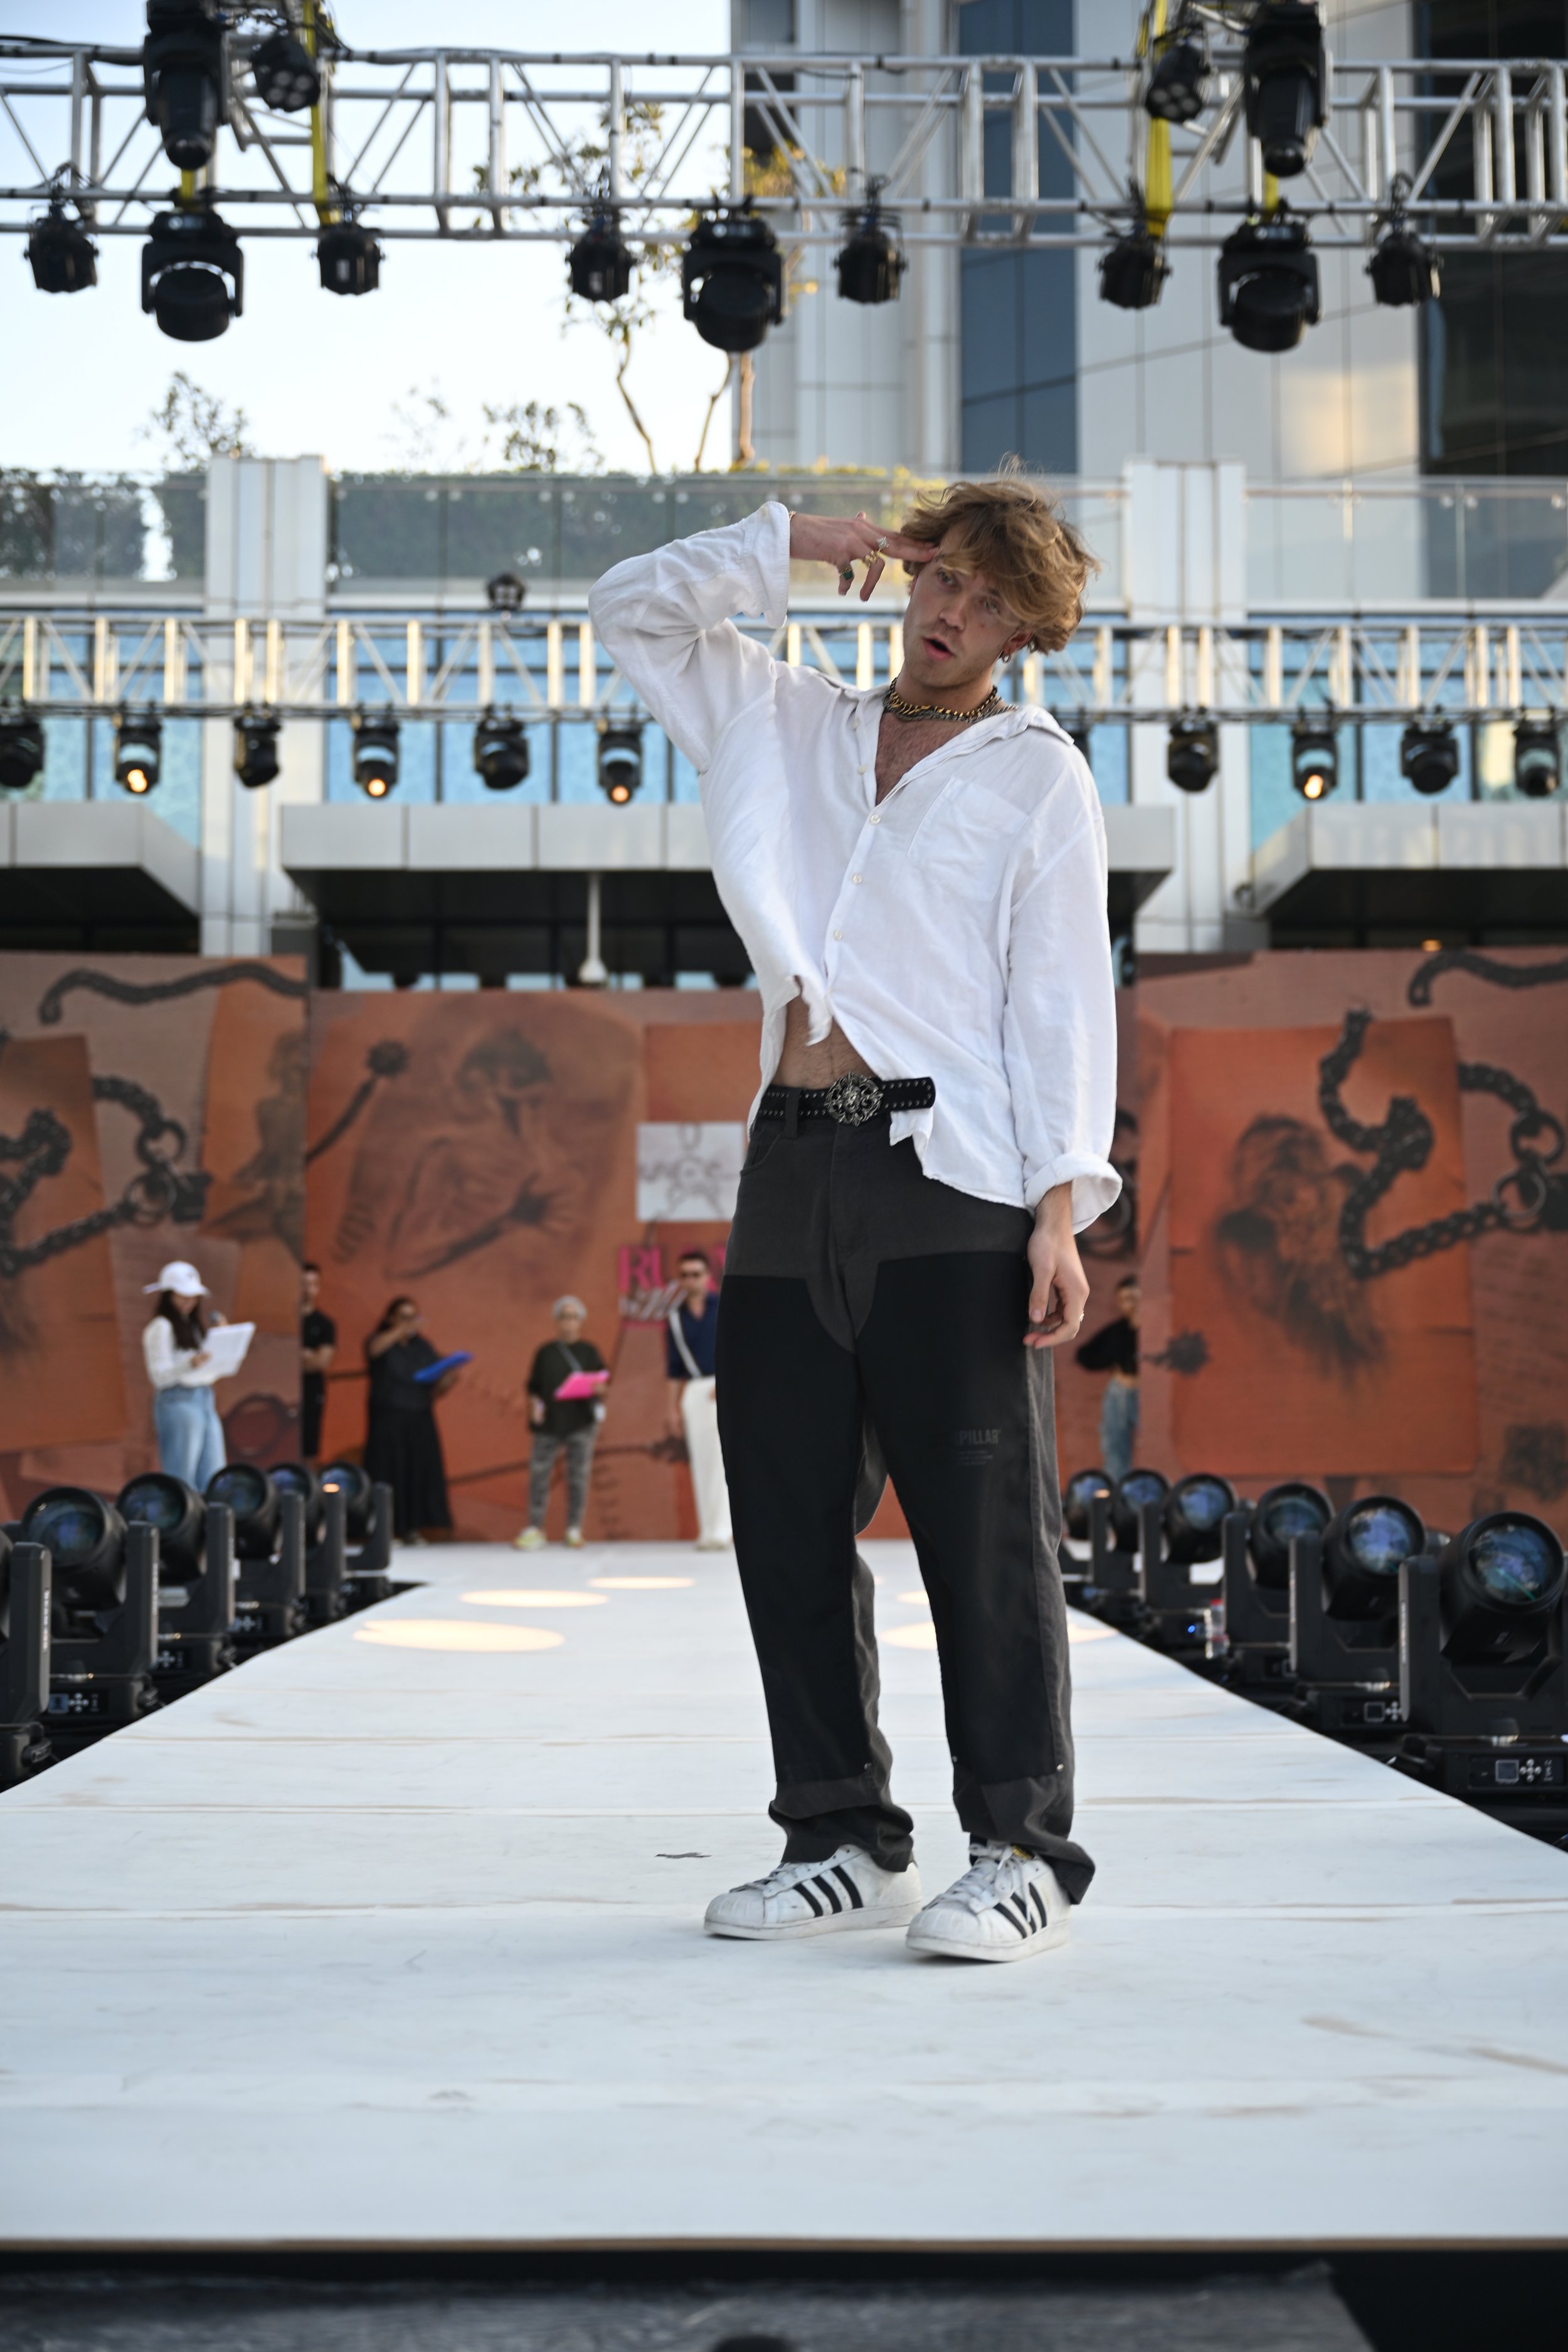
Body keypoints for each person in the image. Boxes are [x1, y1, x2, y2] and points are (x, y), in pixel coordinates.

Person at [591, 475, 1118, 1964]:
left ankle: (1021, 1845)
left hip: (954, 1172)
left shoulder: (1037, 777)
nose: (958, 615)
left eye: (997, 603)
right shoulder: (786, 718)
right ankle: (837, 1831)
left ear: (1030, 630)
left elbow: (1061, 995)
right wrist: (781, 544)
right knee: (784, 1515)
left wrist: (1061, 1206)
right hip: (790, 1168)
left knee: (982, 1534)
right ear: (908, 574)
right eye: (945, 579)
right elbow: (626, 607)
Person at [516, 1295, 609, 1551]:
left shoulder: (589, 1351)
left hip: (580, 1422)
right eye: (564, 1317)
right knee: (539, 1475)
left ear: (581, 1322)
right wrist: (534, 1406)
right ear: (556, 1321)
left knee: (578, 1476)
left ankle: (574, 1528)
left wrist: (599, 1388)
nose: (569, 1322)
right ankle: (535, 1528)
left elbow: (601, 1383)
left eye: (574, 1317)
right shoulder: (545, 1352)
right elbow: (533, 1387)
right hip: (549, 1423)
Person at [363, 1296, 455, 1544]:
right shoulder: (380, 1340)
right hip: (389, 1417)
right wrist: (400, 1330)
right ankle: (384, 1529)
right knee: (388, 1472)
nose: (409, 1323)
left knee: (417, 1472)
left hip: (419, 1417)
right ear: (391, 1318)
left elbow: (435, 1386)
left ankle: (412, 1528)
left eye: (412, 1317)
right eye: (403, 1317)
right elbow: (374, 1351)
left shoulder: (423, 1346)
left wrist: (448, 1375)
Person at [141, 1258, 231, 1493]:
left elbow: (207, 1369)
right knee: (182, 1477)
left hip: (204, 1398)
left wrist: (221, 1341)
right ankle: (185, 1527)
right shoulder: (161, 1327)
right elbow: (160, 1376)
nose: (189, 1302)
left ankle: (211, 1526)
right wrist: (189, 1365)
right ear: (168, 1295)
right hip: (178, 1400)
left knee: (213, 1474)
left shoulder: (192, 1326)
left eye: (193, 1297)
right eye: (183, 1296)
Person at [665, 1248, 731, 1551]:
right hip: (694, 1391)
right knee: (703, 1461)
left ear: (708, 1277)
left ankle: (722, 1530)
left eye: (697, 1274)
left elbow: (741, 1348)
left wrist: (728, 1381)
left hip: (727, 1387)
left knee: (723, 1461)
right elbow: (673, 1369)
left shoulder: (725, 1306)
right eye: (685, 1275)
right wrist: (672, 1408)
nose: (691, 1280)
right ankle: (708, 1530)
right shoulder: (675, 1317)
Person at [1075, 1275, 1140, 1487]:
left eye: (1133, 1298)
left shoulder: (1163, 1327)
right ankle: (1118, 1498)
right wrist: (1114, 1364)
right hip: (1122, 1392)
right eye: (1124, 1300)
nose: (1130, 1305)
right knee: (1115, 1448)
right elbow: (1084, 1355)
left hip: (1154, 1398)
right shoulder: (1117, 1331)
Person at [300, 1261, 336, 1464]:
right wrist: (305, 1354)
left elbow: (321, 1362)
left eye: (313, 1284)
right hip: (283, 1391)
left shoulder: (324, 1324)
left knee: (310, 1447)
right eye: (303, 1283)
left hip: (311, 1390)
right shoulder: (284, 1319)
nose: (307, 1290)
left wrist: (300, 1357)